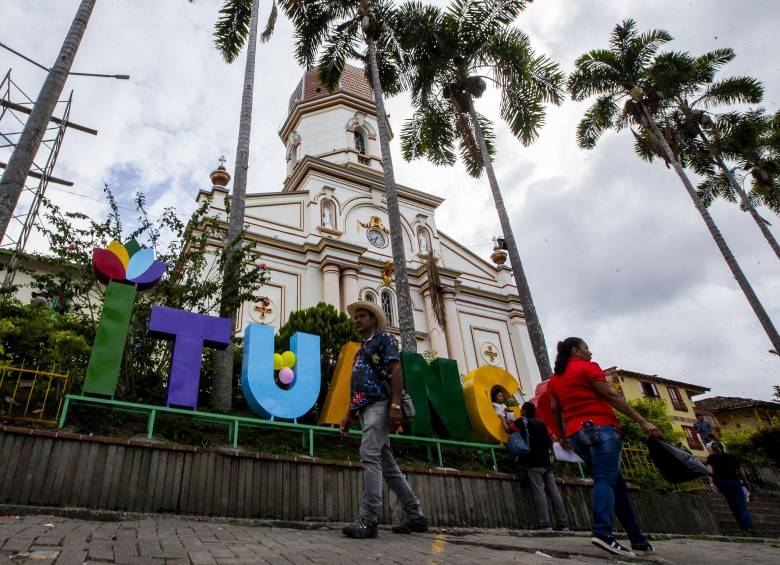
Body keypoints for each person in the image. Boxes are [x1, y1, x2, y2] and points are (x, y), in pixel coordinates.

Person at [548, 337, 660, 558]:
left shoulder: (555, 379)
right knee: (605, 479)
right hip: (600, 428)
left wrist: (561, 436)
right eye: (586, 348)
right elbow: (610, 395)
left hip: (576, 435)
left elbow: (554, 410)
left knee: (616, 485)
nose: (590, 352)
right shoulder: (588, 368)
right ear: (575, 351)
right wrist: (642, 421)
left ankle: (638, 540)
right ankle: (603, 532)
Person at [340, 300, 427, 539]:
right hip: (365, 409)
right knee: (388, 467)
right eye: (355, 316)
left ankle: (368, 520)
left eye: (362, 316)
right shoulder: (361, 348)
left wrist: (396, 405)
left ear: (373, 319)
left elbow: (396, 371)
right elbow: (356, 387)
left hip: (379, 405)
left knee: (369, 456)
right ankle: (416, 515)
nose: (357, 319)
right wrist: (349, 415)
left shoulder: (384, 339)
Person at [504, 402, 569, 531]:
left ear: (524, 411)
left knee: (539, 492)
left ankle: (545, 524)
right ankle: (563, 524)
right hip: (546, 462)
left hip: (532, 462)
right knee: (554, 492)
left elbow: (508, 429)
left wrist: (503, 419)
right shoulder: (542, 424)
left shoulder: (521, 421)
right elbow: (553, 437)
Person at [706, 442, 754, 535]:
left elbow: (710, 471)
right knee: (741, 506)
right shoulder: (730, 457)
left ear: (712, 449)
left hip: (720, 482)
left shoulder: (711, 458)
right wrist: (745, 481)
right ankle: (748, 528)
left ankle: (743, 528)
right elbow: (740, 471)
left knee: (732, 504)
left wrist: (711, 483)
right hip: (733, 481)